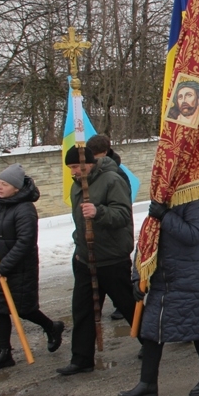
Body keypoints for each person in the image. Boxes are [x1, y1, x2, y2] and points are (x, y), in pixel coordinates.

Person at [119, 198, 199, 396]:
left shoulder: (197, 203)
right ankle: (147, 383)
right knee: (152, 330)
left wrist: (165, 216)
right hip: (163, 279)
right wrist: (138, 277)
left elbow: (194, 235)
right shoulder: (160, 204)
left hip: (193, 276)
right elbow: (146, 242)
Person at [57, 146, 137, 376]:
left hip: (111, 257)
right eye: (70, 168)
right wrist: (78, 241)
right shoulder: (77, 186)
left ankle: (152, 342)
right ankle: (81, 359)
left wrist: (99, 212)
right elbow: (78, 219)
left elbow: (122, 215)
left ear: (89, 163)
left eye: (75, 166)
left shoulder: (112, 180)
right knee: (83, 311)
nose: (73, 172)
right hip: (85, 257)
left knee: (128, 305)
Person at [0, 164, 64, 373]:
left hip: (19, 268)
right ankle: (4, 352)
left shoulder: (25, 209)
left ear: (16, 188)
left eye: (5, 184)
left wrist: (6, 266)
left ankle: (51, 327)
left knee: (24, 309)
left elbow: (25, 241)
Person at [87, 134, 132, 321]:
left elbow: (121, 211)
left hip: (114, 241)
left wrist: (98, 212)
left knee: (123, 294)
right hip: (96, 245)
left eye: (96, 156)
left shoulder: (116, 176)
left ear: (104, 153)